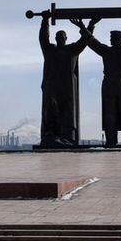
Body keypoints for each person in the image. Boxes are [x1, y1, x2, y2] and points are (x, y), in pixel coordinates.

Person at [71, 18, 121, 148]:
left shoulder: (108, 51)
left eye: (111, 38)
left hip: (110, 84)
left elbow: (92, 42)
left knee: (110, 114)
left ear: (116, 39)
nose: (110, 40)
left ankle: (111, 141)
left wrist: (83, 27)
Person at [39, 12, 99, 147]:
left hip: (66, 88)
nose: (60, 38)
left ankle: (66, 137)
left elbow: (84, 41)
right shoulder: (50, 50)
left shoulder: (71, 50)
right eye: (58, 36)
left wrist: (90, 25)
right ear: (55, 38)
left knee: (67, 113)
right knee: (51, 110)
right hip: (52, 87)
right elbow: (43, 38)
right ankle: (51, 135)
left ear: (65, 38)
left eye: (62, 36)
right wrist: (44, 22)